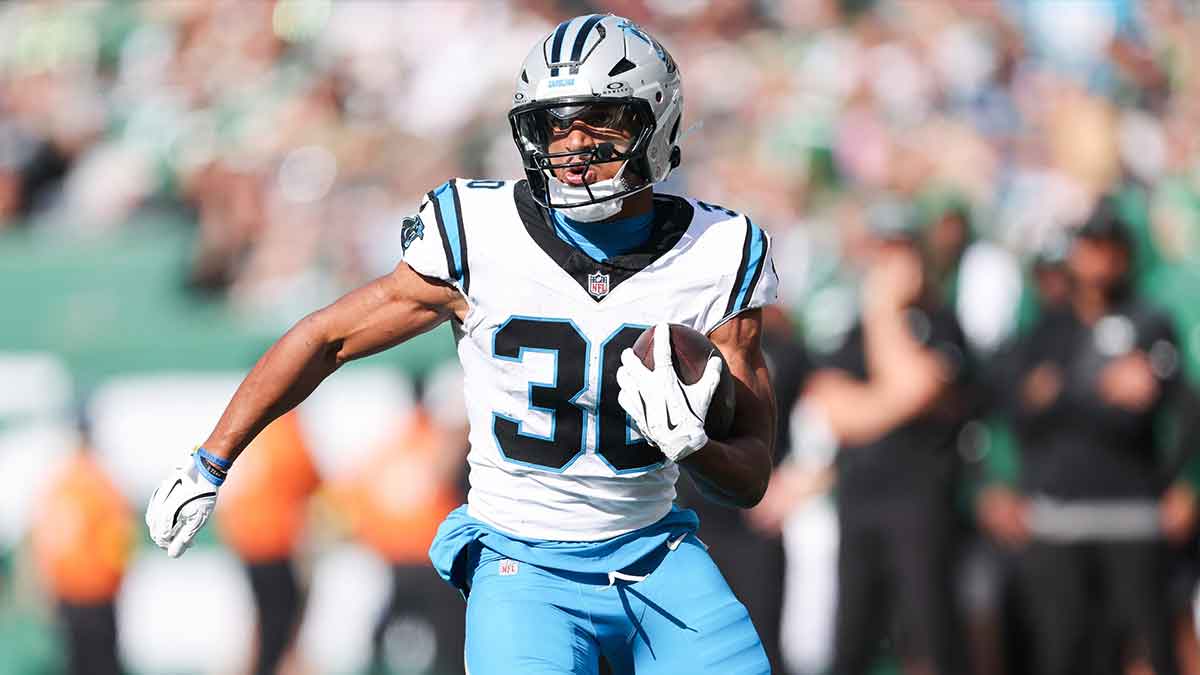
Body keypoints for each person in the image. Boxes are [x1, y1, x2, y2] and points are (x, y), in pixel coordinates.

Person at [145, 14, 778, 675]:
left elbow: (752, 475)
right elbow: (326, 337)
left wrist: (696, 447)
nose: (574, 144)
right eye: (555, 124)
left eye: (600, 119)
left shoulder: (717, 251)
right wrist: (209, 460)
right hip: (525, 568)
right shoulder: (479, 231)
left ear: (656, 121)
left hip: (655, 556)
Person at [989, 198, 1195, 675]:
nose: (1099, 258)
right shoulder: (1046, 327)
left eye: (1109, 246)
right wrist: (1098, 386)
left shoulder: (1150, 320)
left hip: (1135, 515)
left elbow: (1168, 405)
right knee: (1065, 650)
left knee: (1150, 647)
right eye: (1089, 246)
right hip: (1058, 518)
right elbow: (1020, 408)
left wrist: (1062, 390)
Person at [800, 206, 970, 675]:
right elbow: (835, 412)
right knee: (851, 640)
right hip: (858, 501)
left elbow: (920, 388)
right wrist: (890, 398)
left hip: (921, 504)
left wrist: (885, 312)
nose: (890, 269)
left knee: (929, 637)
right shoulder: (850, 329)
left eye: (899, 254)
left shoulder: (942, 323)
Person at [31, 415, 134, 675]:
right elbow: (120, 541)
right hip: (97, 592)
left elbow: (45, 542)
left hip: (70, 592)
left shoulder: (60, 481)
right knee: (101, 664)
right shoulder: (102, 482)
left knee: (77, 663)